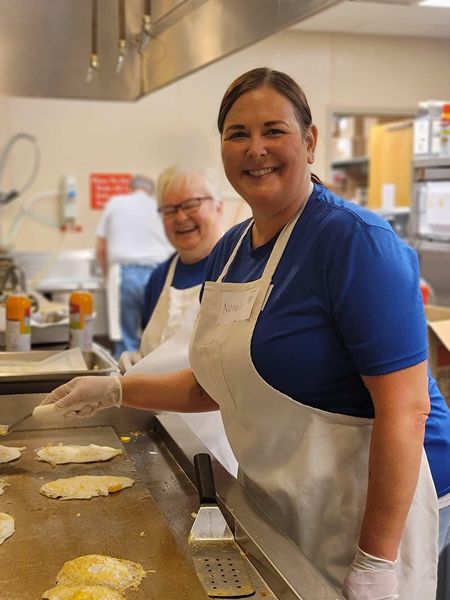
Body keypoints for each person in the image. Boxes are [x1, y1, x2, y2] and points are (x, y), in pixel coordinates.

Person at [41, 68, 450, 600]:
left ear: (308, 141)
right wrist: (116, 390)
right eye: (238, 134)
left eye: (273, 131)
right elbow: (221, 385)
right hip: (282, 498)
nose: (255, 148)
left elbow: (406, 409)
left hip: (372, 509)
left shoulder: (355, 243)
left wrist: (375, 561)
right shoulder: (230, 250)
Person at [117, 165, 238, 476]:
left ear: (218, 206)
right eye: (170, 209)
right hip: (159, 439)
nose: (180, 217)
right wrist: (139, 362)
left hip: (219, 448)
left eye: (191, 204)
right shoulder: (160, 276)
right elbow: (160, 346)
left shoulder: (238, 271)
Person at [96, 174, 172, 358]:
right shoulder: (159, 206)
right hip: (160, 273)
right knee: (157, 337)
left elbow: (101, 248)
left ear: (130, 189)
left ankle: (123, 382)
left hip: (125, 275)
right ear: (151, 191)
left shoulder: (116, 203)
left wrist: (107, 277)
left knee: (126, 339)